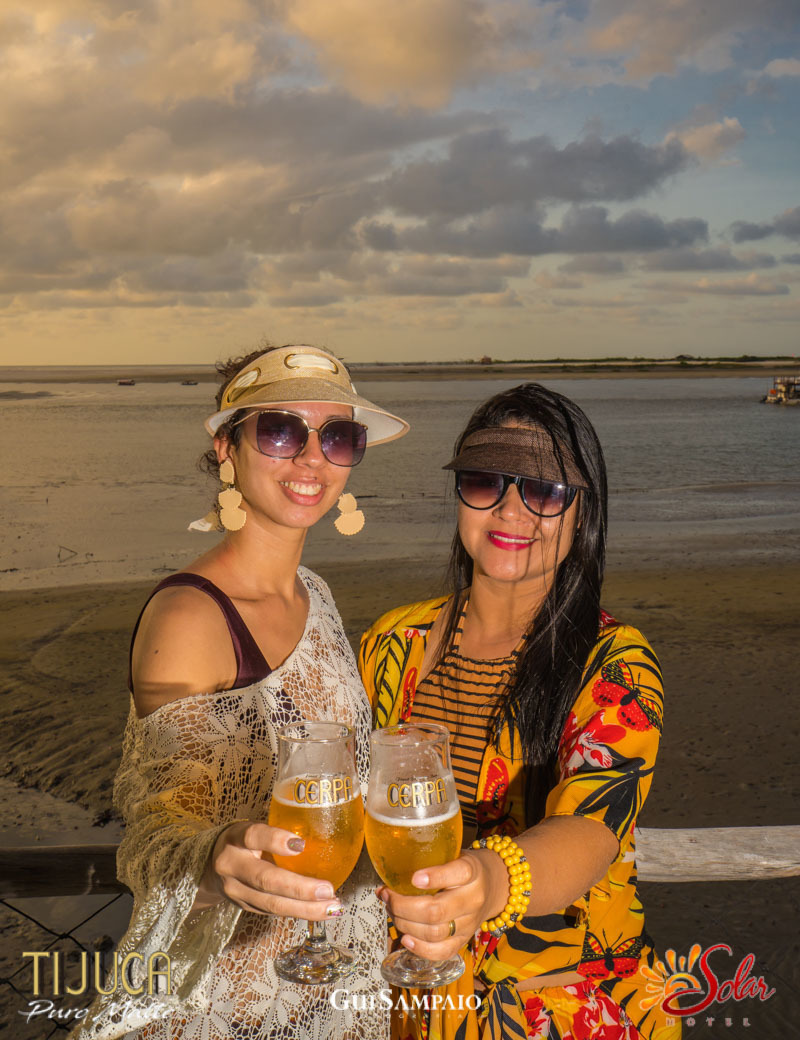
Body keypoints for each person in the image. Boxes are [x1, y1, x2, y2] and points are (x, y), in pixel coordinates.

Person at [76, 343, 409, 1040]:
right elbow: (152, 836)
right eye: (282, 430)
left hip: (336, 988)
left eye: (339, 437)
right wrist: (214, 853)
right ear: (228, 447)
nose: (313, 459)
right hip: (229, 1003)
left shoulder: (316, 593)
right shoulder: (192, 616)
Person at [360, 384, 676, 1040]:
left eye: (545, 492)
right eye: (486, 480)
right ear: (460, 495)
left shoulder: (614, 664)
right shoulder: (394, 645)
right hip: (417, 1005)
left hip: (563, 1006)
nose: (511, 510)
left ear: (582, 512)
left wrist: (486, 877)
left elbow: (593, 828)